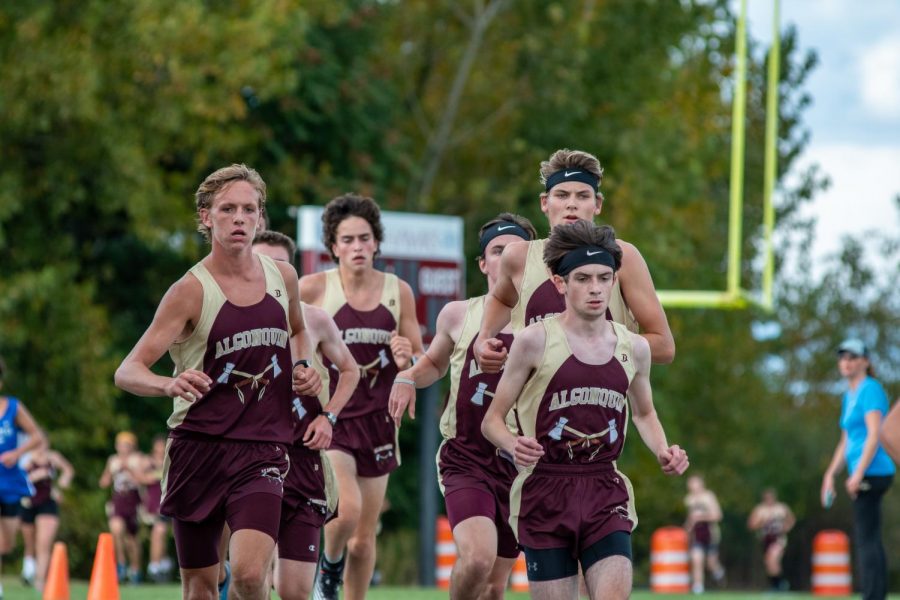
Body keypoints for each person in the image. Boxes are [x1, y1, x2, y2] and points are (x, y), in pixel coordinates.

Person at [114, 163, 322, 600]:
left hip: (262, 448)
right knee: (201, 588)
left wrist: (306, 367)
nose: (240, 219)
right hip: (197, 450)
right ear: (206, 217)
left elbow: (299, 330)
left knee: (249, 575)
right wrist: (167, 385)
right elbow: (128, 371)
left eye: (250, 209)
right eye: (228, 209)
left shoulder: (282, 277)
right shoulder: (189, 291)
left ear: (261, 218)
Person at [481, 221, 688, 600]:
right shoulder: (533, 342)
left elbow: (643, 413)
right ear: (560, 283)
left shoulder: (635, 348)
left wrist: (663, 449)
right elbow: (492, 421)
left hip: (603, 489)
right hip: (544, 489)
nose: (595, 288)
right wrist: (512, 444)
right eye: (583, 278)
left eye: (604, 278)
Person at [390, 213, 537, 600]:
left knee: (492, 588)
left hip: (520, 465)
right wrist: (407, 377)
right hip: (466, 458)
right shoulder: (459, 314)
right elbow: (435, 365)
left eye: (516, 252)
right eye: (497, 251)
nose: (506, 259)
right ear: (484, 263)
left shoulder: (544, 324)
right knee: (476, 560)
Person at [300, 193, 424, 600]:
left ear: (376, 243)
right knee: (345, 510)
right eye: (348, 240)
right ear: (333, 246)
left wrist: (409, 358)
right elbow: (292, 344)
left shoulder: (397, 291)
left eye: (364, 238)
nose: (357, 247)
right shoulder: (314, 289)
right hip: (333, 417)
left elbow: (421, 357)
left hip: (379, 422)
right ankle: (329, 572)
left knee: (364, 540)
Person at [474, 148, 674, 375]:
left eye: (582, 196)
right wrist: (483, 340)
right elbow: (501, 299)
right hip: (532, 409)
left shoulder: (623, 257)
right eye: (561, 195)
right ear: (544, 203)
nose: (572, 204)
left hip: (602, 407)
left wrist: (597, 343)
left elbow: (664, 347)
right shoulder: (519, 256)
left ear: (597, 204)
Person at [253, 229, 360, 600]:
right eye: (263, 263)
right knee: (249, 578)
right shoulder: (230, 316)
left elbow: (351, 370)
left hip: (303, 460)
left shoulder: (313, 320)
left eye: (280, 264)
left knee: (294, 590)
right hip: (250, 458)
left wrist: (327, 416)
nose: (272, 272)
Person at [821, 338, 894, 600]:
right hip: (862, 472)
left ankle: (873, 596)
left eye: (853, 357)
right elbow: (846, 440)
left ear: (865, 361)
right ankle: (876, 594)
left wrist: (858, 473)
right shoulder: (849, 395)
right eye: (843, 357)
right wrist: (830, 474)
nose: (847, 362)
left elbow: (876, 434)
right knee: (868, 535)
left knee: (866, 538)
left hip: (874, 471)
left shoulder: (870, 389)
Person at [0, 355, 47, 600]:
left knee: (6, 544)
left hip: (9, 480)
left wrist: (16, 453)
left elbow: (37, 436)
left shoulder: (13, 407)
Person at [19, 443, 74, 592]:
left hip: (48, 502)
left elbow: (68, 470)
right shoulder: (24, 458)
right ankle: (28, 568)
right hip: (28, 502)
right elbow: (16, 479)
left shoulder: (53, 457)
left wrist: (63, 483)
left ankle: (40, 580)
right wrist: (35, 476)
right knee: (30, 543)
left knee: (43, 544)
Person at [99, 431, 145, 584]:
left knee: (132, 540)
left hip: (133, 500)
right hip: (118, 499)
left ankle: (135, 570)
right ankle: (121, 563)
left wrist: (129, 470)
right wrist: (113, 472)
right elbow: (103, 482)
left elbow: (143, 481)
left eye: (126, 445)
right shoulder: (112, 460)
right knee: (116, 530)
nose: (123, 448)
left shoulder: (138, 459)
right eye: (121, 445)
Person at [136, 435, 173, 583]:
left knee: (164, 533)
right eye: (158, 445)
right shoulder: (147, 461)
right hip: (153, 502)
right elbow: (139, 478)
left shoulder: (170, 459)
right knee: (159, 530)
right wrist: (155, 475)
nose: (160, 448)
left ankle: (163, 562)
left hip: (169, 502)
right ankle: (154, 565)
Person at [684, 474, 725, 594]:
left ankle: (719, 573)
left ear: (701, 483)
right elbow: (691, 517)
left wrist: (701, 517)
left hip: (710, 534)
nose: (691, 486)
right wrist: (688, 527)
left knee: (711, 563)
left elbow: (718, 515)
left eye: (693, 483)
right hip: (697, 535)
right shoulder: (689, 499)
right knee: (696, 558)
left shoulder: (709, 497)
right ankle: (698, 587)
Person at [747, 488, 794, 591]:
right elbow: (751, 525)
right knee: (769, 563)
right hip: (765, 539)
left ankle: (779, 585)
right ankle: (778, 583)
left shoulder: (781, 508)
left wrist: (786, 528)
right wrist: (761, 522)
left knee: (773, 559)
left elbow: (791, 520)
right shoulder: (760, 510)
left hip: (779, 538)